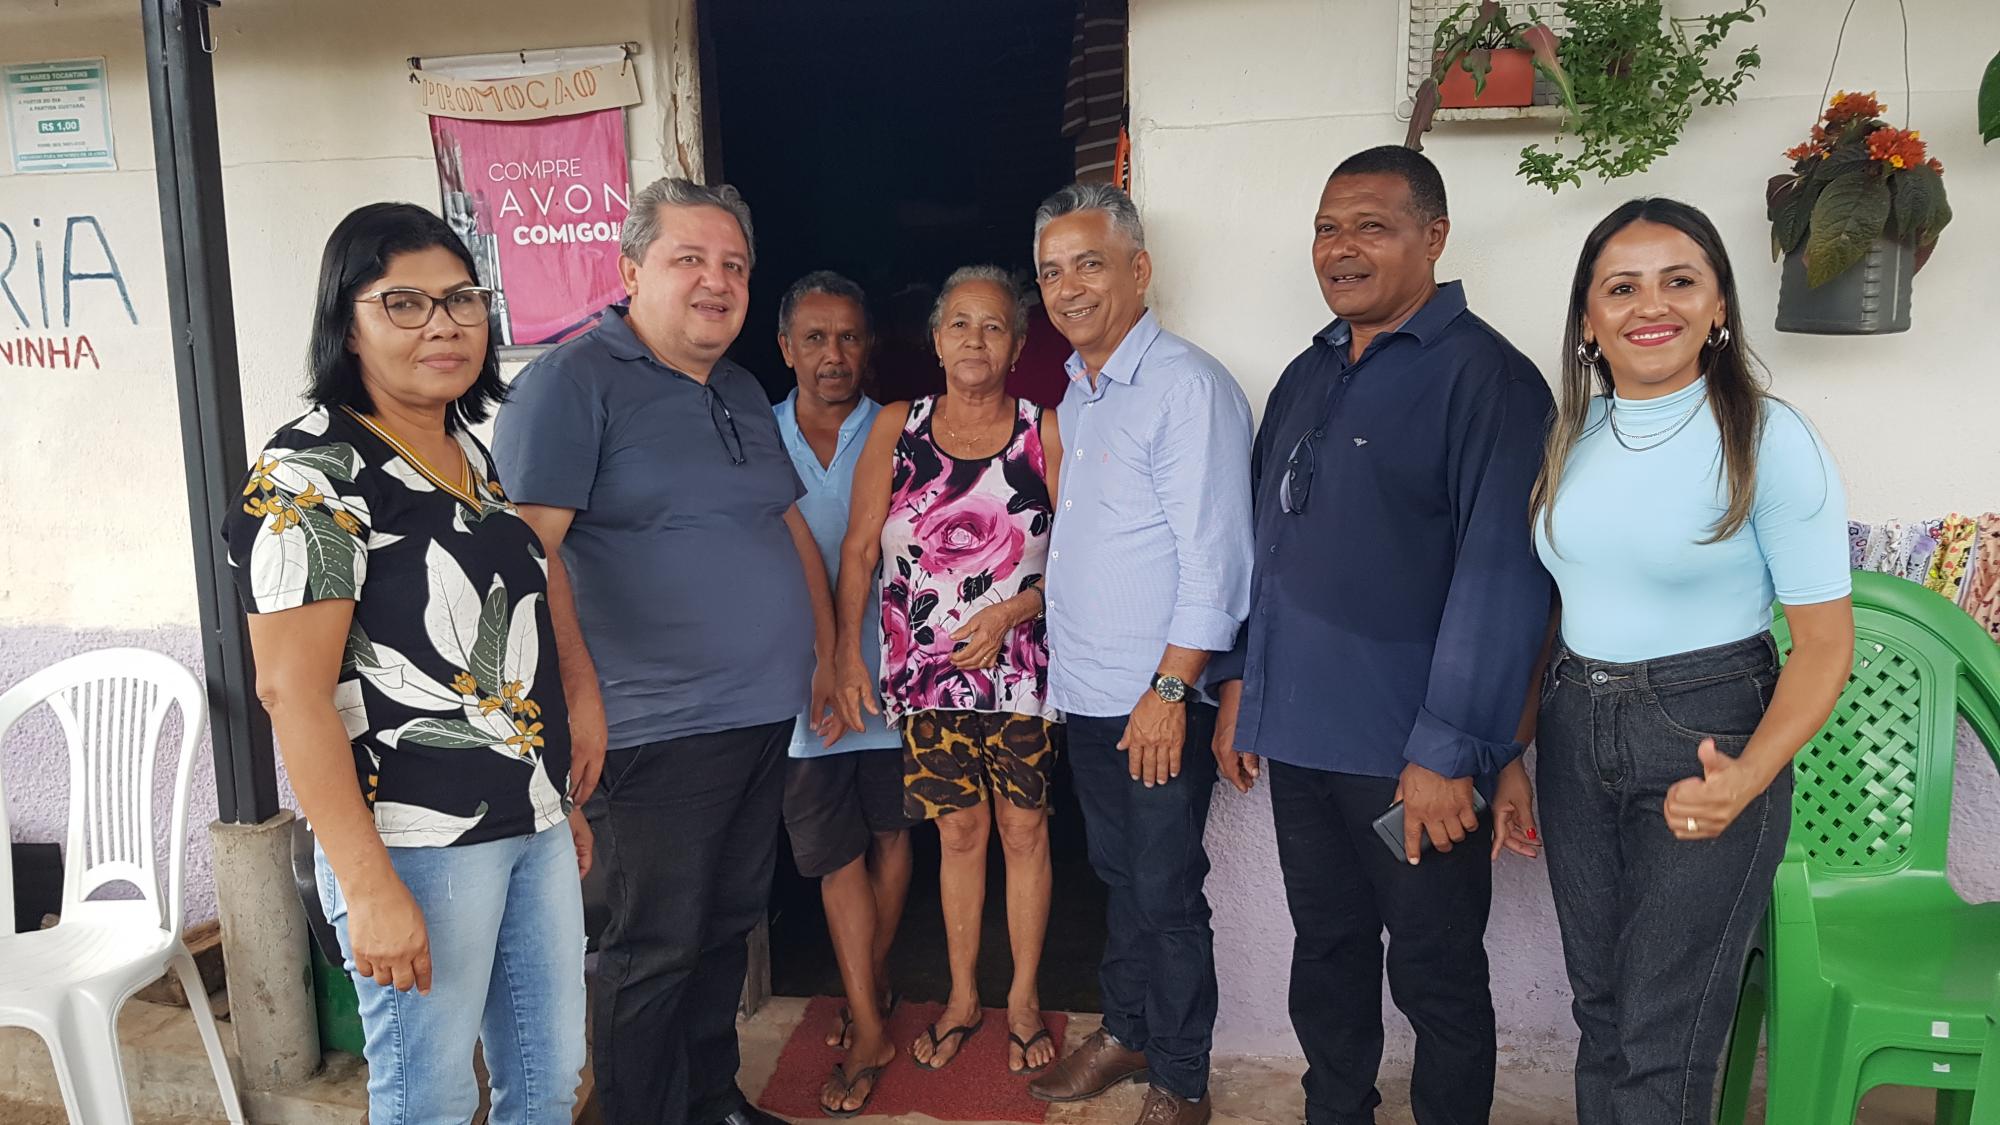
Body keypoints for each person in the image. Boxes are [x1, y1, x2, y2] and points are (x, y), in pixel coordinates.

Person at [1209, 146, 1553, 1125]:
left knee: (1436, 977)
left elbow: (1502, 579)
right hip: (1300, 741)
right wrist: (1240, 687)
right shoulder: (1308, 371)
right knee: (1324, 952)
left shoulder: (1487, 381)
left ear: (1432, 237)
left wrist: (1451, 755)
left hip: (1412, 761)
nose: (1340, 248)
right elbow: (1265, 546)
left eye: (1369, 225)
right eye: (1326, 227)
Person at [228, 202, 590, 1123]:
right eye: (404, 303)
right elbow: (290, 689)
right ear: (346, 324)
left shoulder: (464, 450)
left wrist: (555, 802)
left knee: (547, 1085)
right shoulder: (313, 472)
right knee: (425, 1099)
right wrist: (368, 883)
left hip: (527, 822)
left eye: (461, 300)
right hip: (415, 844)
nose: (443, 324)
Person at [492, 177, 838, 1125]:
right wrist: (576, 701)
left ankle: (711, 1100)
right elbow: (529, 557)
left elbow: (785, 525)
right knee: (652, 946)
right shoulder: (570, 383)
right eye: (690, 259)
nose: (715, 281)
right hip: (650, 728)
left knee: (726, 926)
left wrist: (826, 651)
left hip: (757, 713)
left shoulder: (732, 387)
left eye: (732, 265)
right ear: (631, 268)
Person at [1528, 198, 1853, 1125]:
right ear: (1589, 319)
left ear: (1719, 306)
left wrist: (1749, 775)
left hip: (1707, 728)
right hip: (1573, 724)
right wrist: (1520, 754)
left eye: (1680, 281)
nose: (1649, 305)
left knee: (1665, 1035)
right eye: (1620, 287)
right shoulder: (1572, 437)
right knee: (1603, 1013)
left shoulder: (1768, 439)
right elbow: (1561, 606)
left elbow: (1826, 644)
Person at [1027, 182, 1254, 1125]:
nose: (1069, 287)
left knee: (1165, 891)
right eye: (1051, 271)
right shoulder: (1079, 398)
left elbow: (1219, 558)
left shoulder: (1186, 388)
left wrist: (1171, 689)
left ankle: (1184, 1079)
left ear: (1138, 269)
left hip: (1155, 697)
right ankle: (1126, 1030)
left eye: (1088, 262)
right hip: (1089, 694)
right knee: (1119, 877)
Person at [834, 265, 1063, 1081]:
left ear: (1018, 344)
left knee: (1024, 831)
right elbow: (861, 547)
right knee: (958, 833)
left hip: (1022, 673)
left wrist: (1008, 614)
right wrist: (840, 654)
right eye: (959, 323)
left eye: (993, 325)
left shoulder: (1046, 428)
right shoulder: (900, 423)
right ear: (936, 340)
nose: (975, 339)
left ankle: (1026, 997)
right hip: (926, 676)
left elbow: (1078, 561)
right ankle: (965, 995)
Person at [770, 270, 919, 1116]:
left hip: (896, 673)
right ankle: (868, 1014)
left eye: (850, 337)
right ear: (786, 346)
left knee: (893, 836)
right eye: (816, 338)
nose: (834, 355)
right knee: (833, 853)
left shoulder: (899, 430)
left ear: (870, 347)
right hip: (805, 686)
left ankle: (871, 990)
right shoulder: (754, 436)